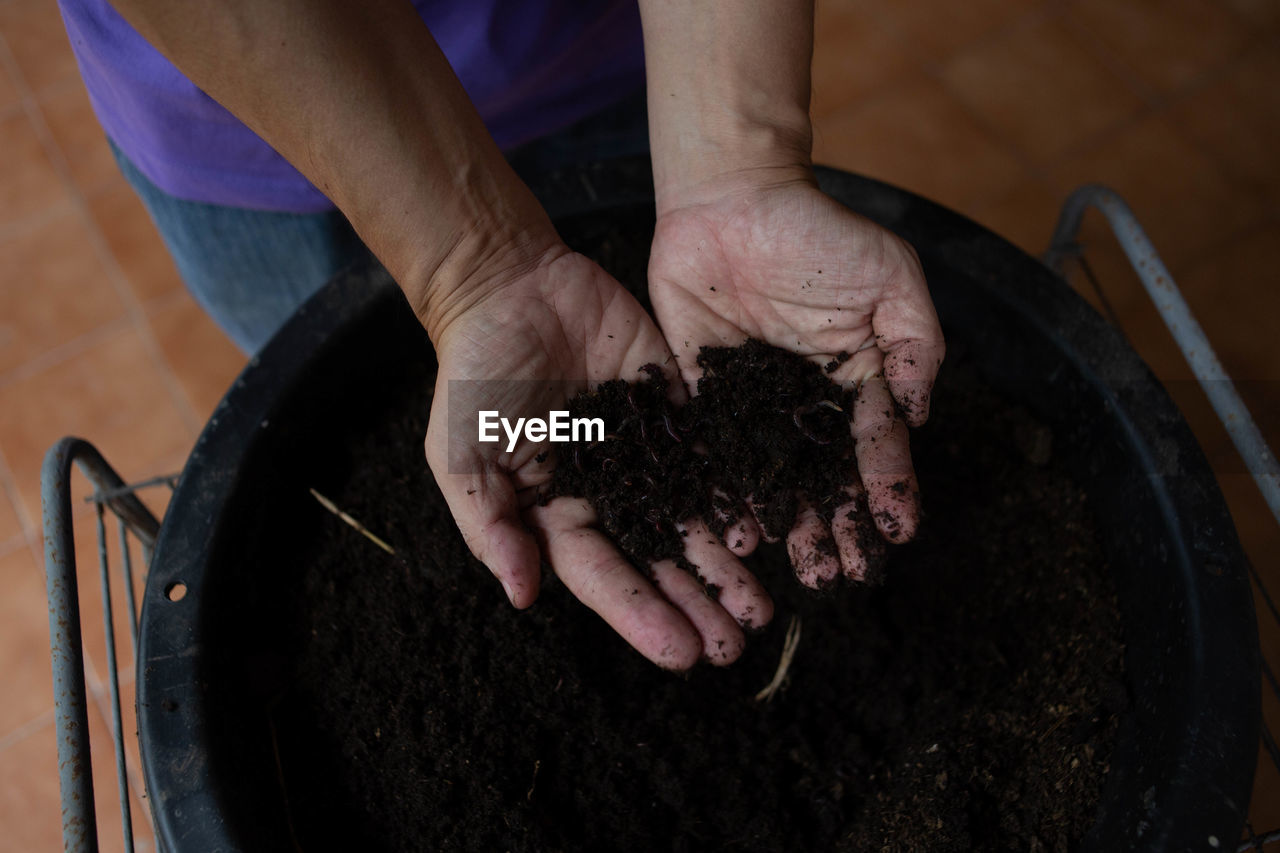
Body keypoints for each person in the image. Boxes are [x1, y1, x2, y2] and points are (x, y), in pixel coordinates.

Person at [59, 0, 945, 670]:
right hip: (262, 93)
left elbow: (588, 426)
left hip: (623, 38)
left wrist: (739, 158)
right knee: (349, 388)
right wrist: (468, 265)